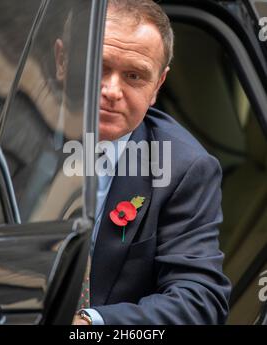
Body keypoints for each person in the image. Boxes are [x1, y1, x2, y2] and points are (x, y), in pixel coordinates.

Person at [55, 0, 231, 325]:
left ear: (157, 86)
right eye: (99, 66)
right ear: (62, 60)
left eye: (134, 76)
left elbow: (199, 300)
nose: (112, 90)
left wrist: (90, 326)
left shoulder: (184, 167)